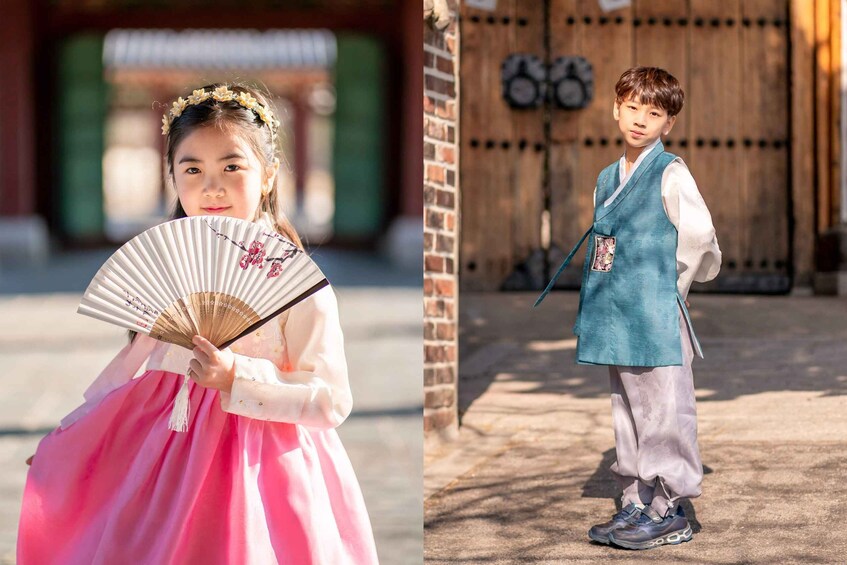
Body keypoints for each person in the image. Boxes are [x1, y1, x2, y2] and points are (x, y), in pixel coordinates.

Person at [17, 83, 379, 564]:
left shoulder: (296, 284)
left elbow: (332, 399)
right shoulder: (167, 269)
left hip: (261, 461)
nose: (212, 186)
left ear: (268, 175)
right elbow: (125, 372)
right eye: (192, 169)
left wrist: (237, 376)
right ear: (172, 176)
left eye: (232, 166)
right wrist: (70, 441)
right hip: (164, 449)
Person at [534, 67, 721, 550]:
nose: (640, 120)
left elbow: (700, 241)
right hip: (616, 309)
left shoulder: (670, 171)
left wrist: (672, 287)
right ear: (617, 109)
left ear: (668, 124)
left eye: (653, 113)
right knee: (627, 407)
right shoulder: (606, 177)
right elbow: (604, 242)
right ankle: (636, 502)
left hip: (656, 310)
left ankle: (671, 510)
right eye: (632, 107)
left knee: (664, 407)